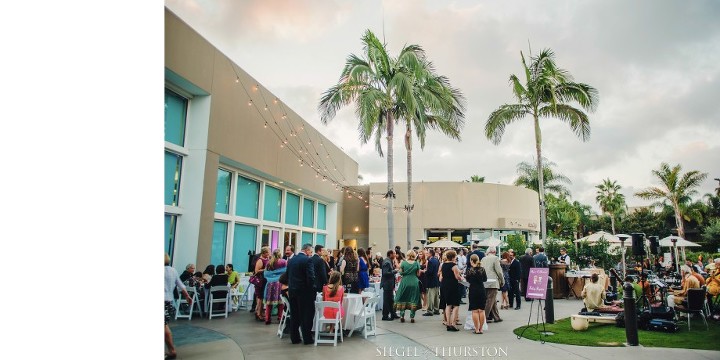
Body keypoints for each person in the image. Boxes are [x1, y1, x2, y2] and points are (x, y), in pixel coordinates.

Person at [286, 243, 316, 345]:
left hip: (292, 290)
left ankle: (294, 338)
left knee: (294, 315)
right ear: (307, 250)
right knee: (306, 315)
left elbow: (287, 275)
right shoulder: (308, 260)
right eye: (311, 252)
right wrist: (312, 289)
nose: (311, 254)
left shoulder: (291, 260)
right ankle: (307, 338)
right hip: (304, 292)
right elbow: (311, 277)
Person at [165, 254, 191, 360]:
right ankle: (171, 350)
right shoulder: (172, 271)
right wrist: (187, 296)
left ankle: (172, 350)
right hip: (169, 301)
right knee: (164, 325)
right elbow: (181, 284)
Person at [394, 250, 422, 323]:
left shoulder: (403, 263)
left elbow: (400, 272)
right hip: (414, 282)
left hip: (405, 282)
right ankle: (412, 317)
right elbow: (418, 274)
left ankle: (402, 315)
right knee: (414, 298)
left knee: (402, 298)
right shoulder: (416, 263)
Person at [441, 250, 463, 331]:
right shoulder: (454, 266)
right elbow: (457, 277)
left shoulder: (443, 264)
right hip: (452, 285)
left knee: (448, 304)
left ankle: (448, 323)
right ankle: (453, 323)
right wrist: (462, 278)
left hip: (445, 285)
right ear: (454, 257)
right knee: (456, 305)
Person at [264, 249, 287, 325]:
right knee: (280, 301)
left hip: (270, 284)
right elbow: (286, 272)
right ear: (280, 254)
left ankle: (267, 318)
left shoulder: (269, 263)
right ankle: (280, 317)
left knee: (269, 302)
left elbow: (266, 274)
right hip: (279, 283)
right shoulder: (283, 262)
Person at [466, 254, 487, 334]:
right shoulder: (482, 269)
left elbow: (467, 280)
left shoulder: (469, 270)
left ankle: (477, 329)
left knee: (474, 311)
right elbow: (485, 279)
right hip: (481, 289)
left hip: (473, 290)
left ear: (471, 261)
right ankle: (481, 329)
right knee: (481, 310)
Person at [481, 248, 504, 323]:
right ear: (494, 252)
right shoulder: (495, 258)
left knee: (492, 300)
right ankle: (484, 317)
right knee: (490, 300)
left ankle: (496, 317)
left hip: (484, 281)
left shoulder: (483, 259)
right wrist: (502, 280)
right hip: (493, 281)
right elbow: (499, 271)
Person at [253, 246, 271, 321]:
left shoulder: (267, 259)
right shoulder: (260, 260)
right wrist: (265, 269)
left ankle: (260, 311)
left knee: (263, 297)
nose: (268, 253)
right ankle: (258, 313)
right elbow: (256, 271)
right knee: (260, 297)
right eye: (267, 252)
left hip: (265, 280)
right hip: (260, 281)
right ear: (263, 253)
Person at [381, 250, 399, 321]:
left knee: (391, 299)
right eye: (394, 253)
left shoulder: (389, 261)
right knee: (387, 300)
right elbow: (385, 273)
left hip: (389, 284)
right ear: (390, 254)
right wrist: (395, 271)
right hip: (387, 284)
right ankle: (385, 315)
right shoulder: (387, 262)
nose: (395, 255)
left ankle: (393, 313)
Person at [424, 248, 441, 316]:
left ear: (430, 253)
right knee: (436, 297)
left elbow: (429, 272)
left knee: (430, 296)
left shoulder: (430, 261)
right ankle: (436, 309)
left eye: (427, 253)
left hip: (431, 280)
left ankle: (430, 310)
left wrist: (425, 271)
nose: (426, 254)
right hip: (436, 280)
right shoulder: (436, 260)